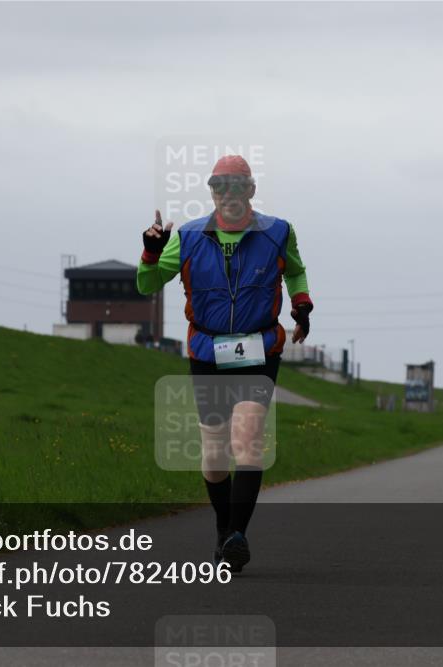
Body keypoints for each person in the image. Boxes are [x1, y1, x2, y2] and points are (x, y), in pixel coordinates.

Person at [137, 154, 313, 572]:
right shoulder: (190, 236)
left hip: (260, 348)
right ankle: (223, 526)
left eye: (238, 185)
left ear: (251, 189)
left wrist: (302, 308)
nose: (228, 193)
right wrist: (151, 252)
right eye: (220, 185)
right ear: (211, 191)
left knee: (248, 439)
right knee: (215, 452)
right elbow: (146, 286)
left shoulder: (278, 232)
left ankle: (237, 536)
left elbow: (297, 273)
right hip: (208, 351)